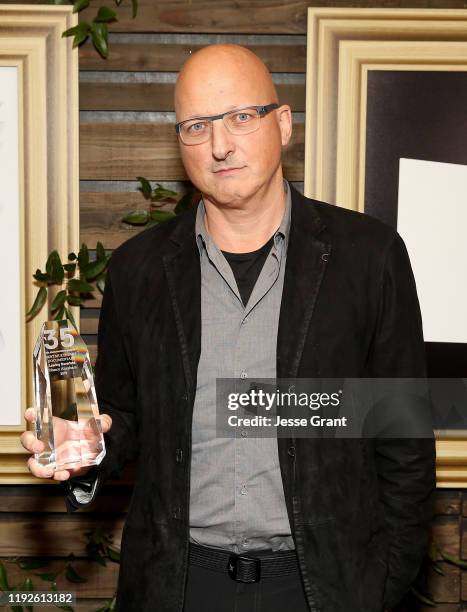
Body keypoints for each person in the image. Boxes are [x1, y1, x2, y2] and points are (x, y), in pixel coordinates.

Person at [21, 44, 436, 612]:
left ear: (283, 124)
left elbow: (404, 438)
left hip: (327, 588)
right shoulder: (137, 269)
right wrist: (84, 447)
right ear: (180, 142)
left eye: (241, 117)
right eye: (197, 126)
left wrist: (381, 584)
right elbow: (125, 417)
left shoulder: (369, 256)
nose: (220, 145)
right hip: (180, 585)